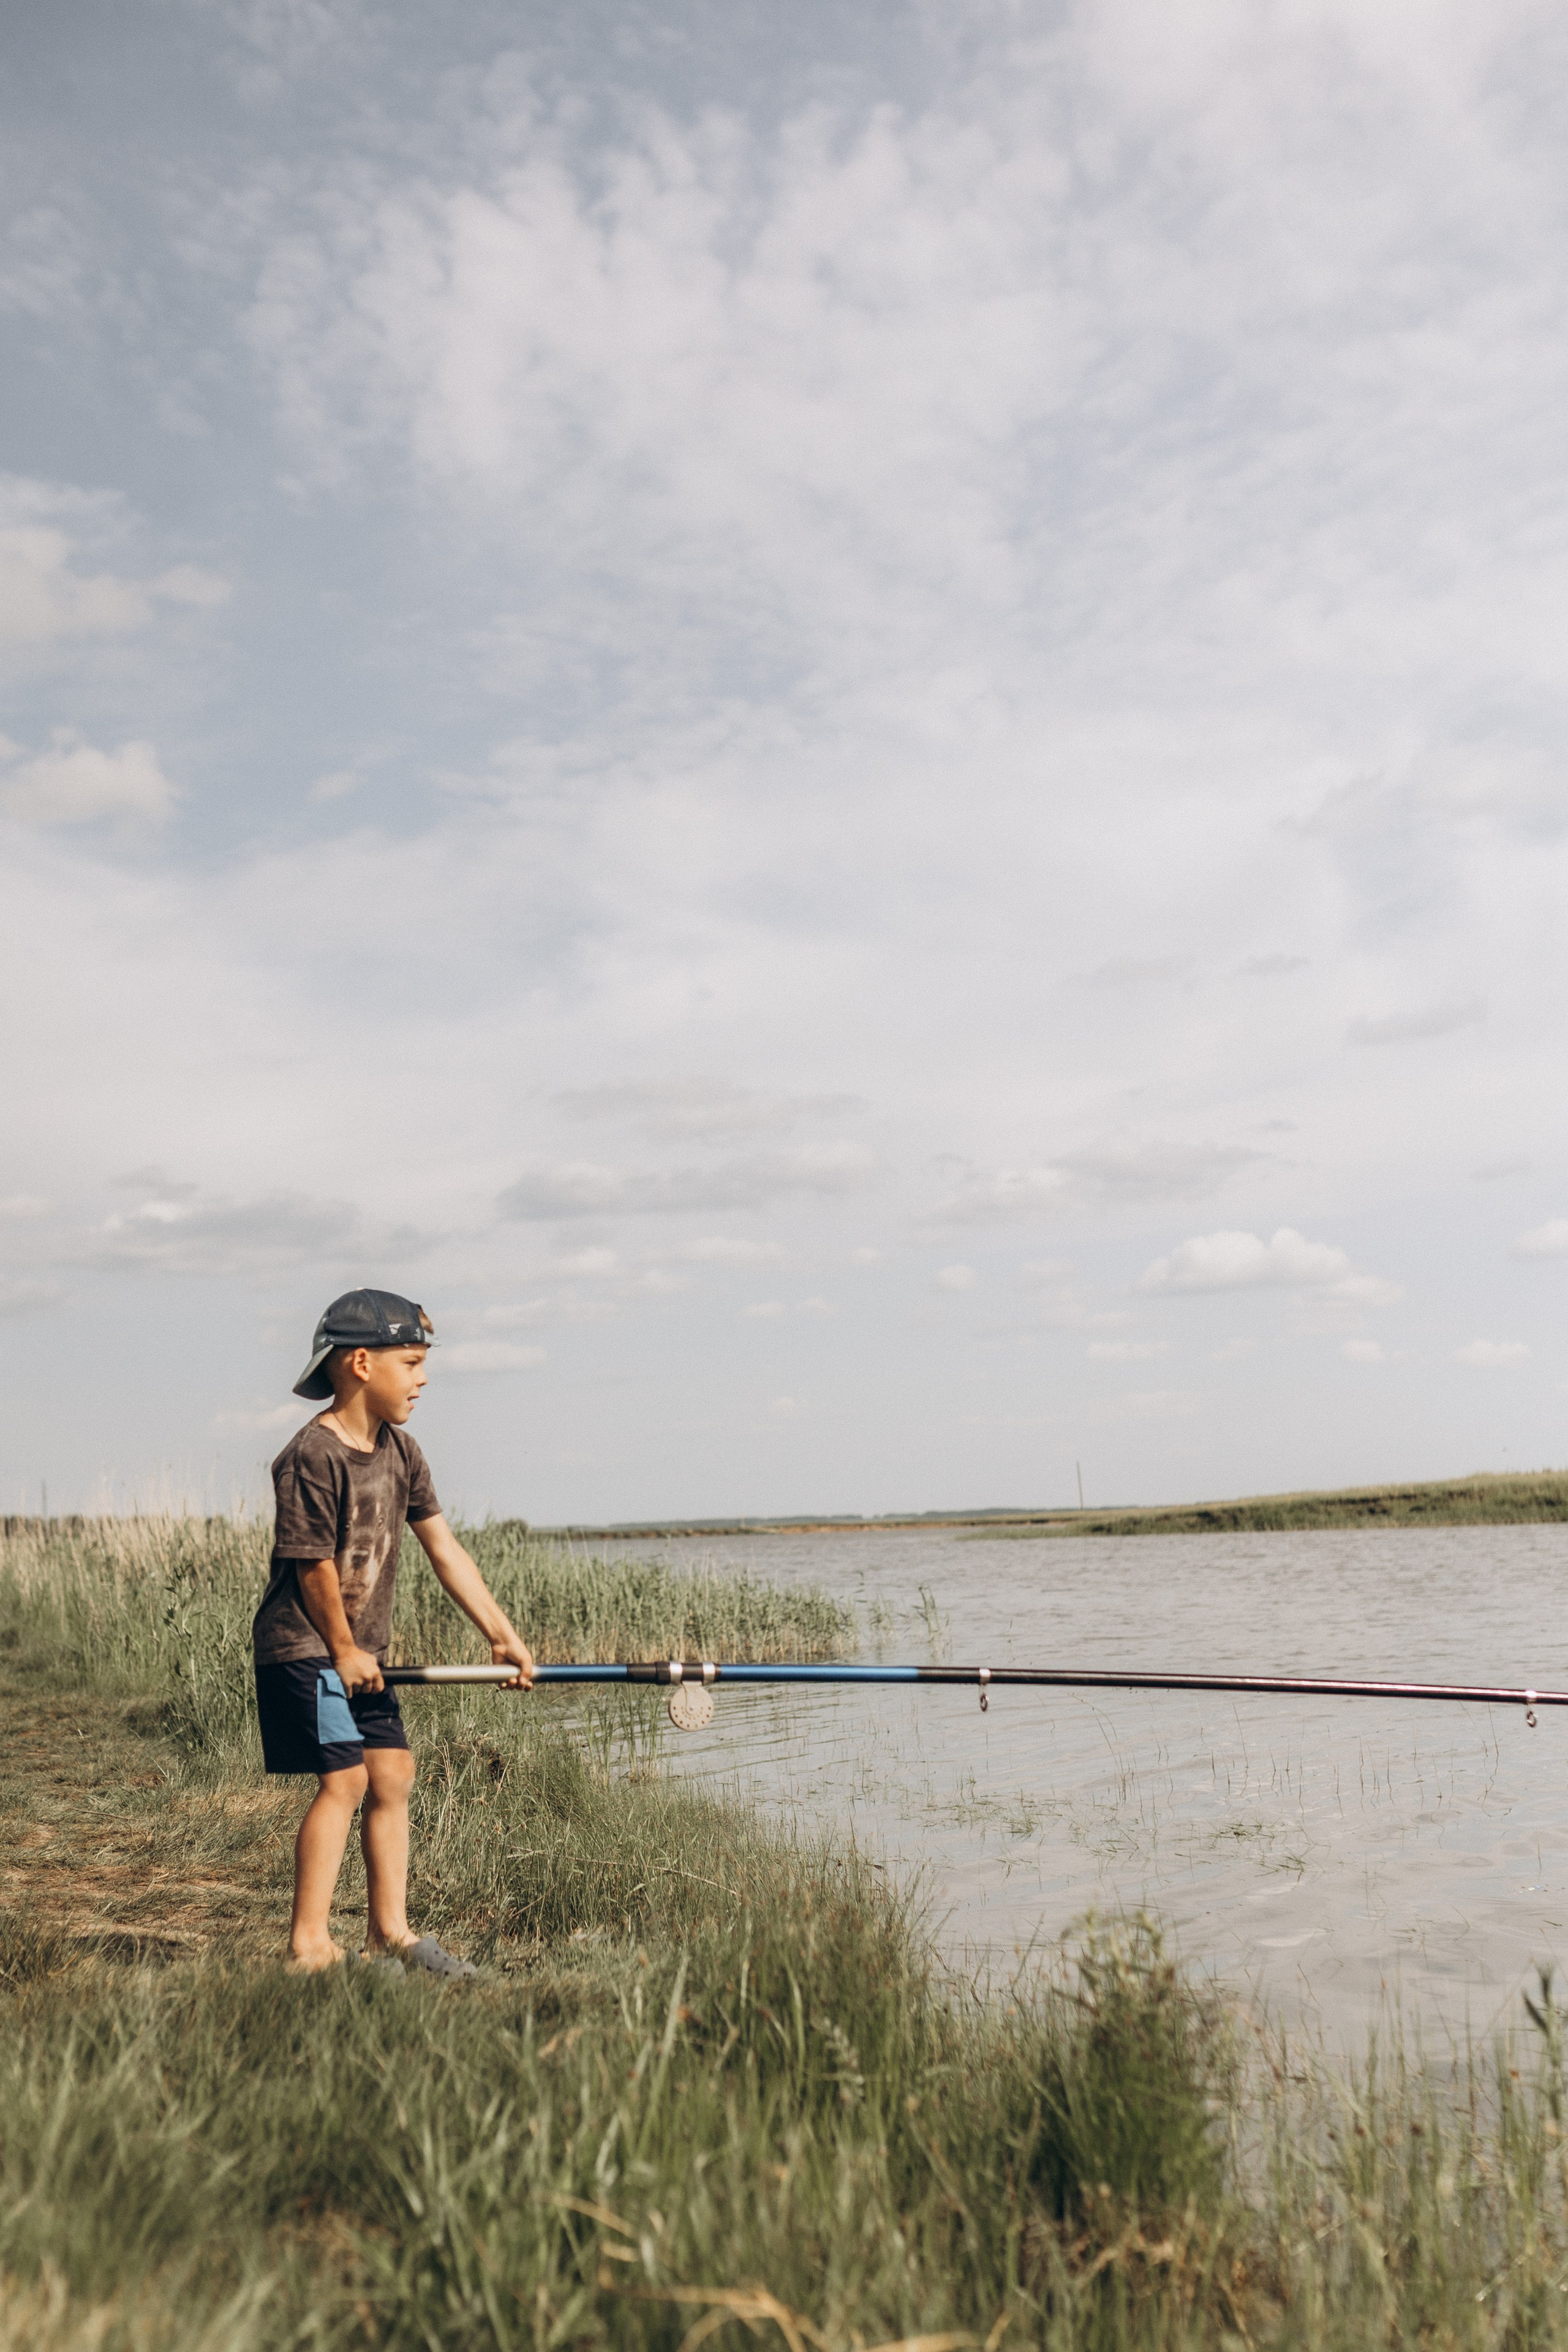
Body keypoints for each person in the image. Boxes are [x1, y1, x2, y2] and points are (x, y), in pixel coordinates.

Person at [252, 1287, 533, 1974]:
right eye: (410, 1362)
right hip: (306, 1649)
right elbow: (312, 1562)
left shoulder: (402, 1453)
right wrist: (342, 1649)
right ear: (358, 1364)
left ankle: (390, 1935)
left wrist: (500, 1632)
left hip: (359, 1656)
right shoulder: (311, 1455)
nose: (423, 1377)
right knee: (345, 1781)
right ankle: (309, 1947)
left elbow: (444, 1549)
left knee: (393, 1774)